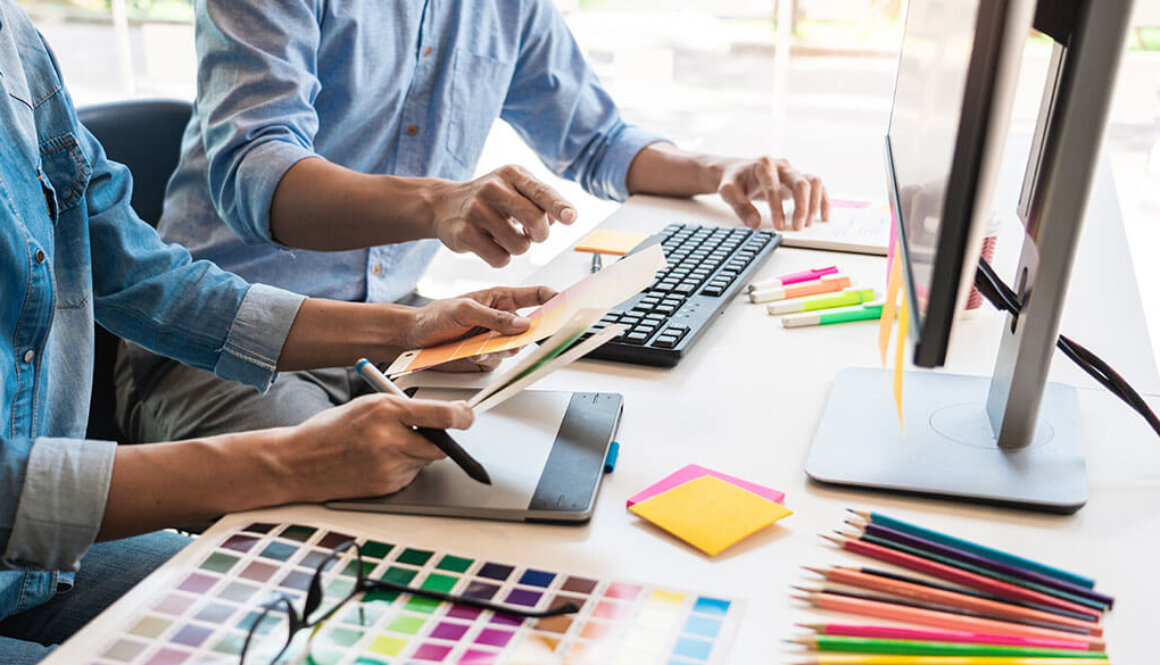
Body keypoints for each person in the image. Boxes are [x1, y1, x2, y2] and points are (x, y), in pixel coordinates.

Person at [0, 3, 553, 661]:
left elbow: (151, 282)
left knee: (332, 618)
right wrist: (288, 460)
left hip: (32, 568)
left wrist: (408, 326)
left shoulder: (17, 43)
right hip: (28, 540)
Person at [116, 0, 832, 443]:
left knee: (576, 447)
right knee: (369, 502)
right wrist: (437, 204)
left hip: (397, 331)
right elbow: (253, 174)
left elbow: (597, 139)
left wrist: (717, 170)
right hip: (221, 343)